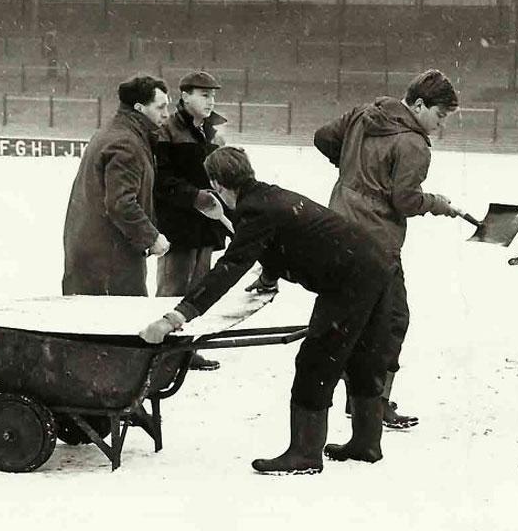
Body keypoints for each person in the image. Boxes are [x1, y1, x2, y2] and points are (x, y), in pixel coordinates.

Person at [140, 147, 399, 475]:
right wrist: (268, 276)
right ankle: (366, 443)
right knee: (362, 356)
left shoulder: (255, 211)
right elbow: (284, 240)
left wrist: (177, 316)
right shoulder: (267, 197)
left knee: (317, 360)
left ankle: (305, 453)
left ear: (218, 184)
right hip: (376, 265)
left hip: (350, 280)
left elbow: (230, 266)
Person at [313, 69, 460, 430]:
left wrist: (352, 171)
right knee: (392, 320)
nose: (439, 126)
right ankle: (374, 401)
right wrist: (438, 202)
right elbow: (406, 200)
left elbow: (322, 137)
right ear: (419, 105)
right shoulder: (414, 144)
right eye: (439, 116)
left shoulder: (365, 113)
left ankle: (347, 395)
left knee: (348, 316)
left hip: (339, 227)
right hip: (377, 240)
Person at [62, 75, 171, 296]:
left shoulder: (115, 133)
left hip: (93, 249)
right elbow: (121, 203)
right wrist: (151, 237)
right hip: (109, 258)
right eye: (161, 107)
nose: (166, 115)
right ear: (140, 108)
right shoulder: (126, 144)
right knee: (115, 324)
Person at [153, 70, 230, 371]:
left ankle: (187, 352)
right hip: (177, 226)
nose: (210, 100)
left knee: (198, 290)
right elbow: (162, 180)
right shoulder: (168, 131)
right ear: (184, 96)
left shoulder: (213, 133)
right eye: (203, 94)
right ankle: (162, 354)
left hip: (205, 225)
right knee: (171, 290)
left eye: (212, 95)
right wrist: (195, 196)